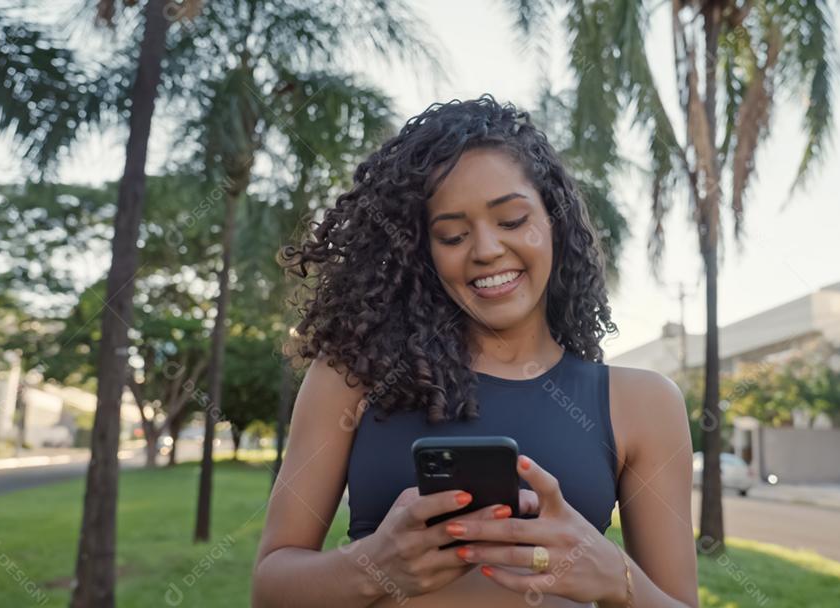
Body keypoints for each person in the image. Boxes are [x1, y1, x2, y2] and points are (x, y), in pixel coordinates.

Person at [252, 94, 698, 607]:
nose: (486, 250)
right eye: (453, 234)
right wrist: (374, 566)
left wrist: (614, 576)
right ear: (422, 252)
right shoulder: (352, 378)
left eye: (511, 221)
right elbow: (270, 588)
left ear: (554, 222)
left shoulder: (642, 404)